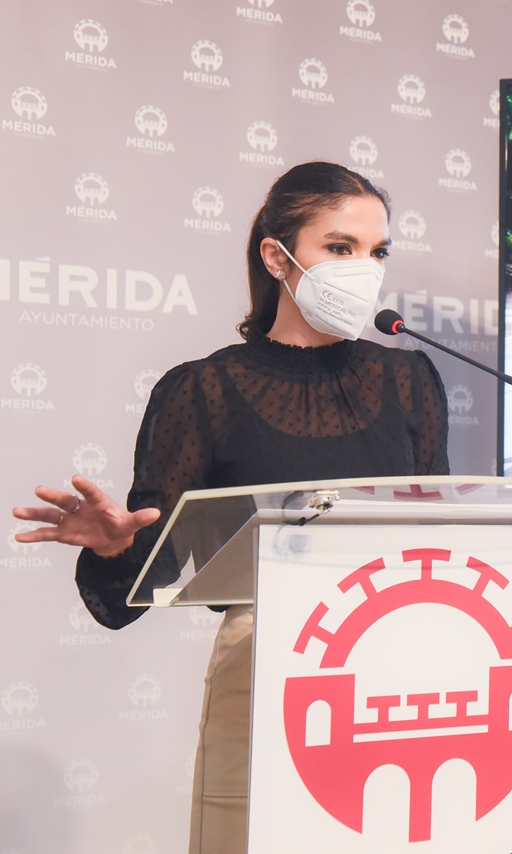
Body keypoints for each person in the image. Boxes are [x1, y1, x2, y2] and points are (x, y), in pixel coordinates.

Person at [12, 162, 449, 854]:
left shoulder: (409, 379)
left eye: (377, 251)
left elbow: (441, 541)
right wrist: (119, 548)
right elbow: (146, 582)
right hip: (265, 672)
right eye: (340, 247)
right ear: (277, 257)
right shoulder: (204, 391)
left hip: (400, 673)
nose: (364, 270)